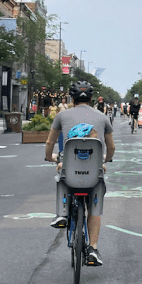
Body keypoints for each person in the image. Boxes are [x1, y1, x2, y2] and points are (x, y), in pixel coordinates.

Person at [44, 80, 115, 267]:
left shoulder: (61, 115)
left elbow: (50, 142)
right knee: (95, 206)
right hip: (93, 173)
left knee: (62, 178)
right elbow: (111, 147)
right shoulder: (102, 117)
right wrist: (106, 160)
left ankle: (62, 213)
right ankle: (93, 248)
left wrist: (50, 157)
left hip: (70, 171)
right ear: (91, 98)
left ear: (72, 97)